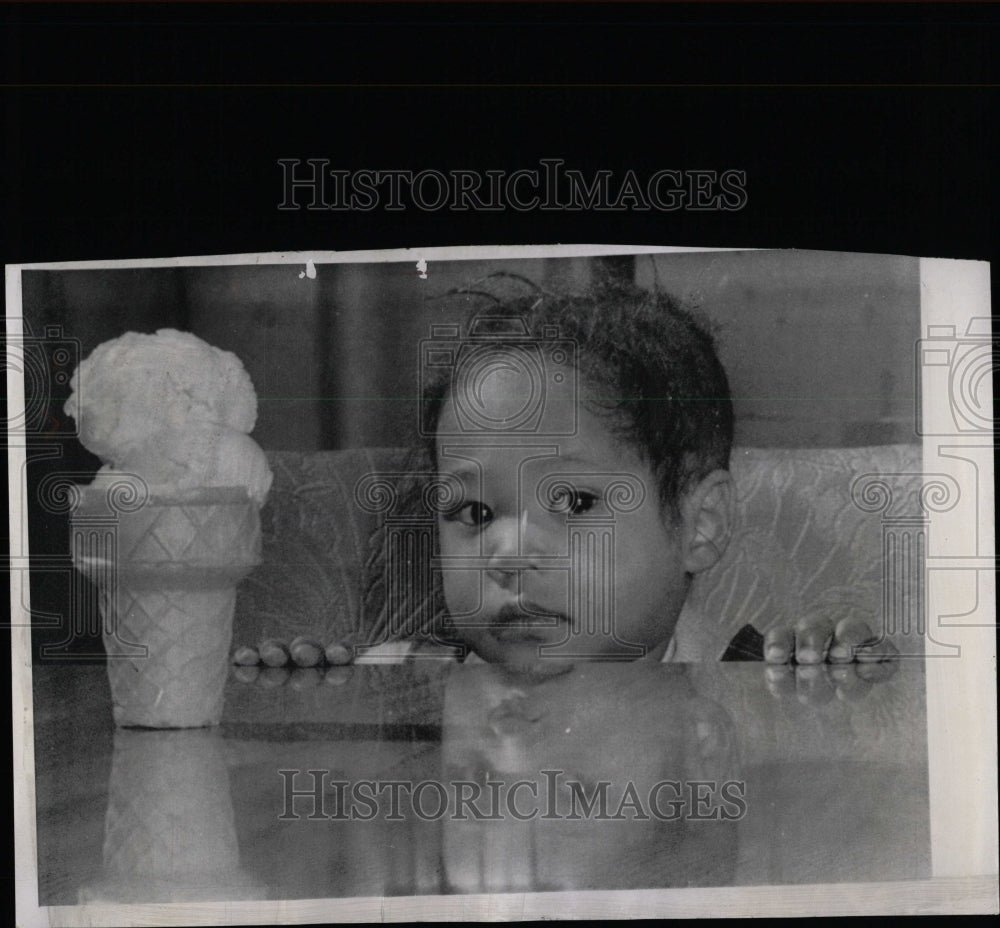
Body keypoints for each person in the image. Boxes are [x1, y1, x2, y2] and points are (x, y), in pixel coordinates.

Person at [236, 275, 896, 674]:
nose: (508, 554)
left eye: (574, 502)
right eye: (473, 514)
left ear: (701, 523)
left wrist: (837, 680)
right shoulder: (405, 677)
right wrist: (305, 692)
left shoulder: (755, 678)